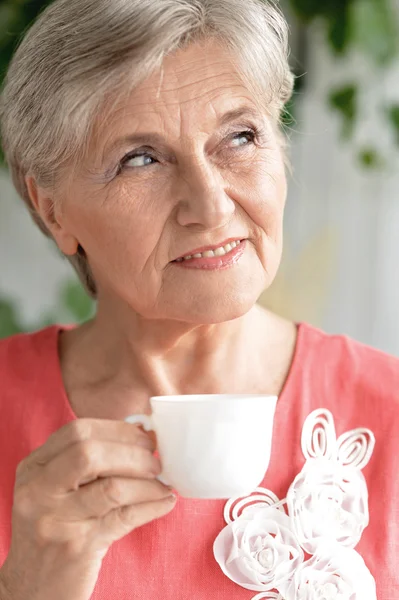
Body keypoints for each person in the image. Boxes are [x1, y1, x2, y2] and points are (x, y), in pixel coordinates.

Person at [0, 0, 398, 598]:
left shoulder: (388, 411)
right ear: (51, 208)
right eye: (141, 158)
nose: (210, 205)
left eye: (241, 136)